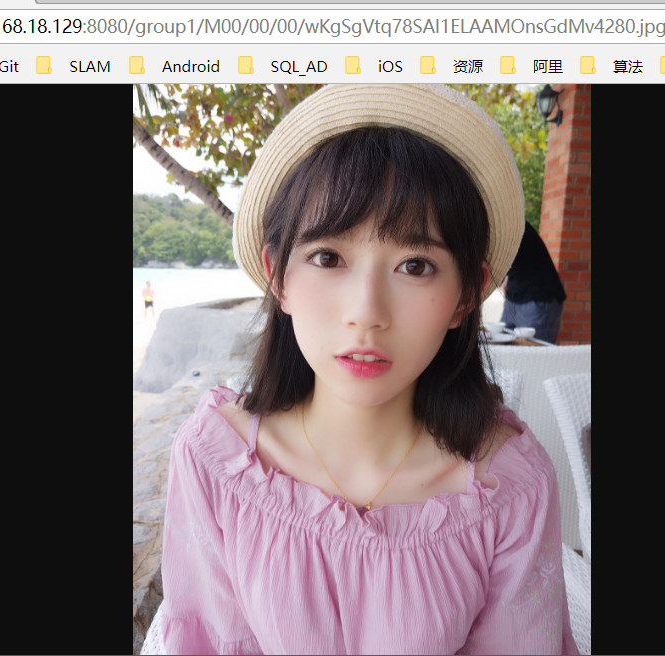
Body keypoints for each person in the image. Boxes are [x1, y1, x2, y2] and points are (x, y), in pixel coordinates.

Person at [158, 85, 579, 655]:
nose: (367, 313)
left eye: (415, 265)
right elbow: (206, 639)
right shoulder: (216, 459)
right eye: (328, 257)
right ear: (277, 275)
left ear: (466, 295)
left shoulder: (509, 489)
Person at [499, 220, 568, 344]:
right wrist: (507, 279)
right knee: (501, 343)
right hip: (514, 294)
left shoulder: (509, 222)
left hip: (538, 299)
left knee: (533, 350)